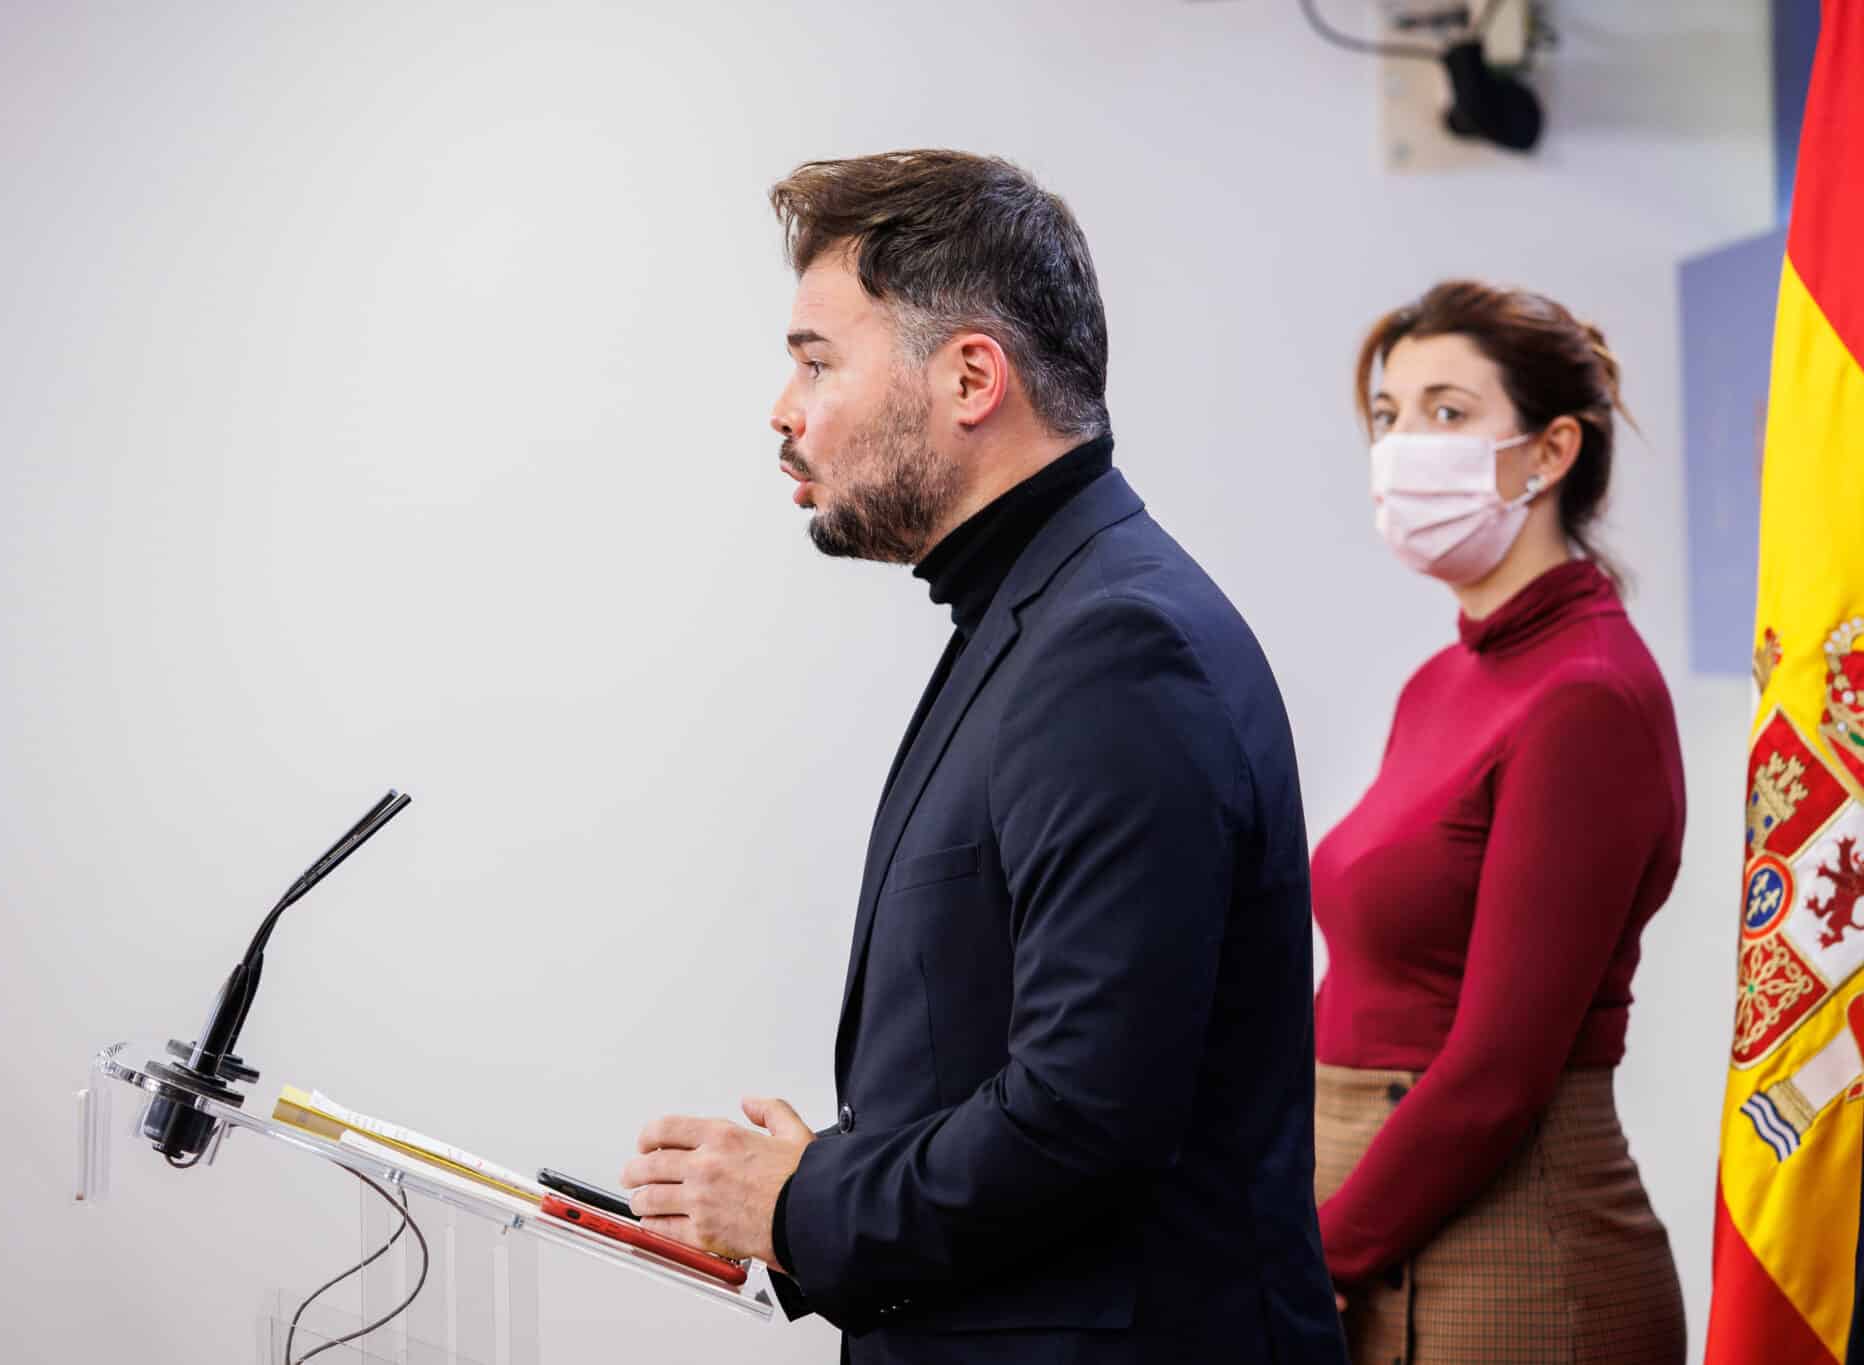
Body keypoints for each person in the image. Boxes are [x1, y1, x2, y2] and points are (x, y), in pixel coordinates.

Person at [619, 149, 1345, 1364]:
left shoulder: (1115, 644)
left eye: (814, 361)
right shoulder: (1039, 613)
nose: (782, 412)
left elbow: (1084, 1116)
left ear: (969, 378)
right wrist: (824, 1180)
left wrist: (799, 1206)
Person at [1310, 280, 1687, 1363]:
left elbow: (1495, 1070)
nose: (1398, 448)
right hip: (1377, 1226)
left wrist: (1312, 1257)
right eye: (1386, 417)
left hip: (1508, 1255)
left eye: (1444, 412)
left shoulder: (1586, 695)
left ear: (1548, 451)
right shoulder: (1441, 681)